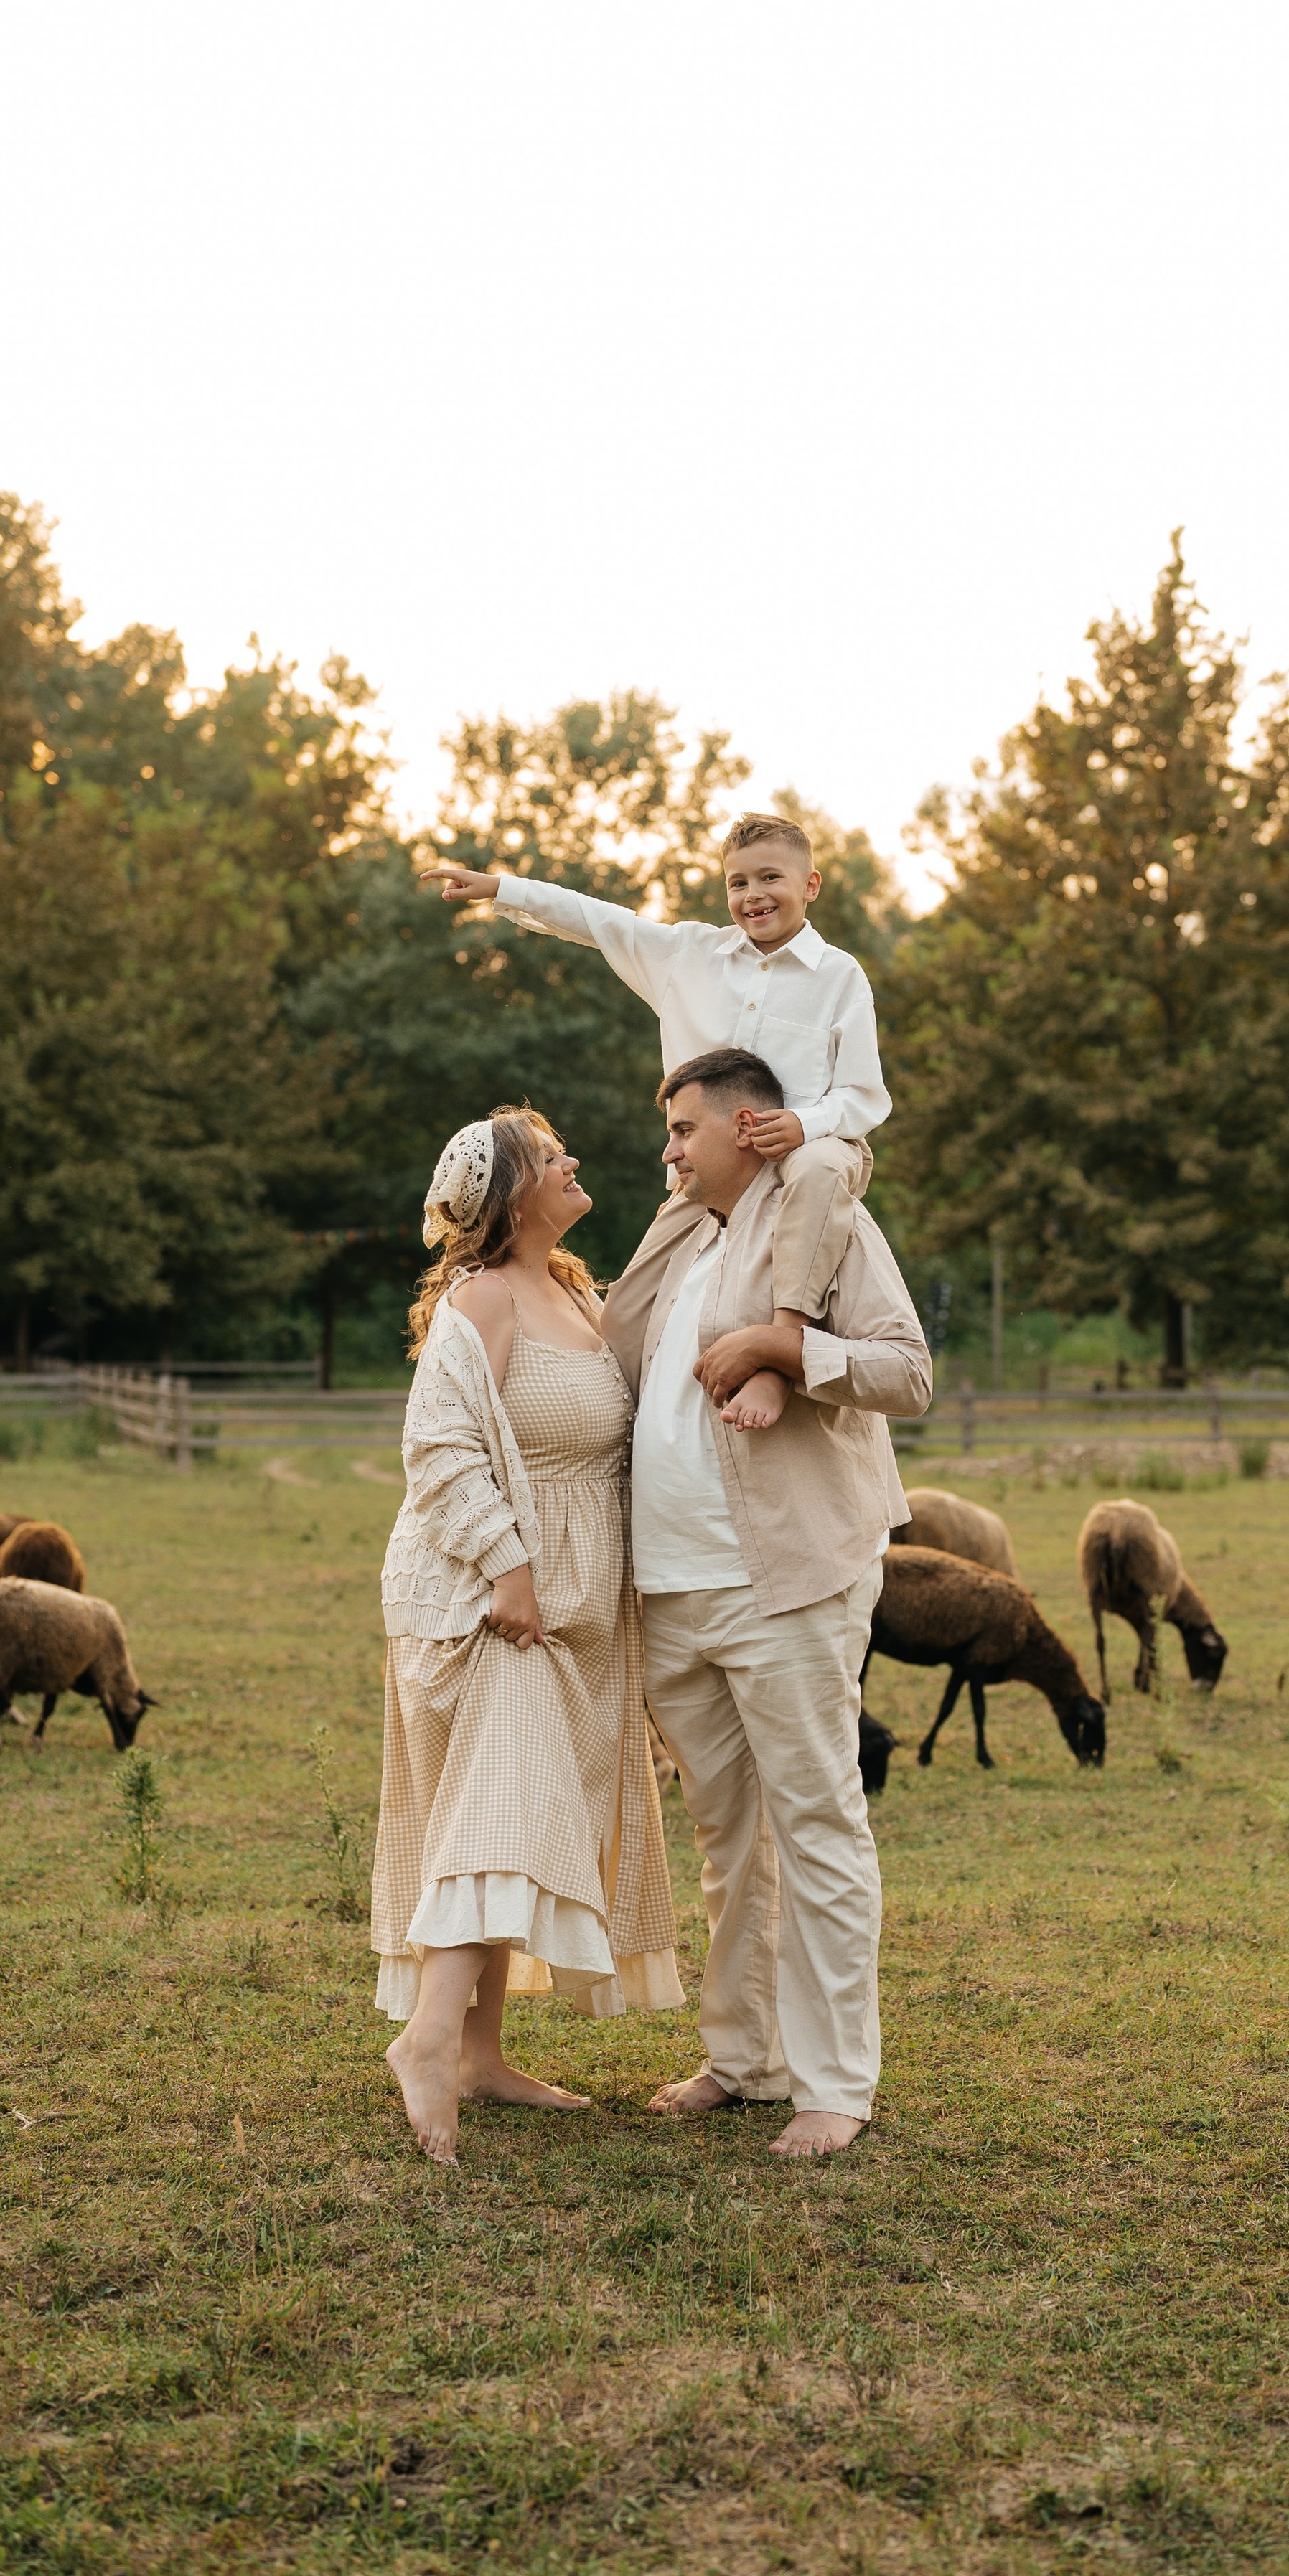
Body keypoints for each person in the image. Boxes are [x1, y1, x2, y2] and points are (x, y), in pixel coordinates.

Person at [600, 1046, 933, 2160]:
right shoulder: (681, 1238)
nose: (669, 1149)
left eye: (684, 1129)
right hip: (674, 1586)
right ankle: (744, 2058)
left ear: (748, 1127)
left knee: (817, 1824)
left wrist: (785, 1347)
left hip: (783, 1581)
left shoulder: (822, 1217)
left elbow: (905, 1370)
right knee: (727, 1837)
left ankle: (835, 2084)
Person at [372, 1106, 683, 2167]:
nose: (575, 1163)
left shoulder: (577, 1293)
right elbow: (441, 1446)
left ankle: (481, 2058)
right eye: (554, 1158)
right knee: (504, 1804)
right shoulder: (485, 1297)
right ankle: (426, 2041)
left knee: (515, 1808)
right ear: (512, 1195)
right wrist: (509, 1567)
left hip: (575, 1602)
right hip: (483, 1591)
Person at [421, 814, 889, 1434]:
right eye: (738, 882)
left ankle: (781, 1348)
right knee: (626, 1311)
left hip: (807, 1153)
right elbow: (598, 919)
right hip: (710, 1171)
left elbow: (864, 1093)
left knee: (823, 1164)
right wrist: (501, 889)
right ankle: (618, 1436)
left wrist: (805, 1124)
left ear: (811, 885)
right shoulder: (687, 955)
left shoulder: (839, 976)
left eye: (771, 878)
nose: (753, 896)